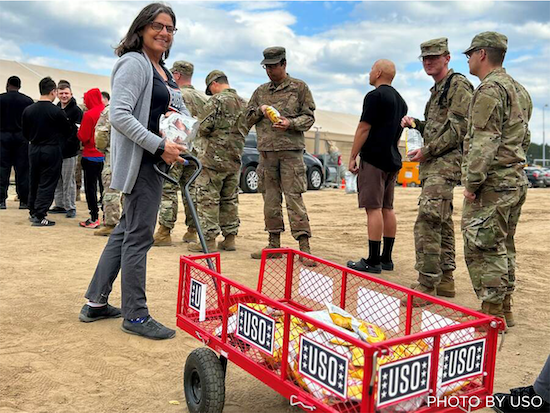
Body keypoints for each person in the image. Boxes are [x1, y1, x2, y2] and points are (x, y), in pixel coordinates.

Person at [79, 3, 186, 340]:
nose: (164, 32)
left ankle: (95, 302)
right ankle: (135, 315)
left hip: (155, 159)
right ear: (141, 28)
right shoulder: (133, 63)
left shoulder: (163, 71)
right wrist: (158, 145)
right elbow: (121, 115)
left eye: (170, 28)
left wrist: (179, 140)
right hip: (142, 162)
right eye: (157, 25)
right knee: (139, 236)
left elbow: (175, 110)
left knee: (126, 230)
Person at [461, 32, 532, 326]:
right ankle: (504, 307)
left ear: (481, 54)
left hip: (493, 184)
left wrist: (472, 183)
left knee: (482, 245)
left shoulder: (489, 90)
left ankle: (491, 315)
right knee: (503, 245)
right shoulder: (520, 90)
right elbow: (523, 138)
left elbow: (484, 141)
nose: (467, 59)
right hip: (514, 179)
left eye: (470, 53)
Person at [401, 38, 473, 300]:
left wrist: (427, 151)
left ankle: (428, 283)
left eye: (434, 56)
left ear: (447, 58)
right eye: (424, 58)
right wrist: (416, 124)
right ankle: (445, 281)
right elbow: (438, 128)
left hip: (445, 163)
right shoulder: (438, 89)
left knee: (428, 221)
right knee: (440, 220)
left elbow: (459, 129)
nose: (428, 61)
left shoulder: (458, 85)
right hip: (435, 163)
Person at [246, 46, 316, 262]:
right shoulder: (260, 92)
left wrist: (290, 123)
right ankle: (273, 244)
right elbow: (246, 119)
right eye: (266, 67)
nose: (269, 71)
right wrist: (259, 111)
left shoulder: (299, 88)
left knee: (294, 198)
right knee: (270, 199)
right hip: (267, 154)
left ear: (284, 64)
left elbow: (309, 118)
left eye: (273, 66)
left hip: (290, 154)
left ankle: (304, 247)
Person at [346, 59, 407, 274]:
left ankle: (372, 260)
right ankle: (386, 258)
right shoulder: (401, 101)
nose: (370, 73)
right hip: (392, 159)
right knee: (387, 208)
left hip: (374, 159)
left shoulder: (374, 96)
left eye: (372, 69)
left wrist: (353, 156)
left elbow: (363, 128)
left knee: (373, 209)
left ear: (379, 72)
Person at [187, 70, 247, 252]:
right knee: (229, 199)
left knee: (208, 198)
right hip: (234, 158)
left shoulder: (216, 101)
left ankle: (208, 241)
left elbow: (203, 127)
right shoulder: (244, 103)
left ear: (214, 84)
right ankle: (230, 239)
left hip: (212, 159)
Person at [153, 60, 207, 246]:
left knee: (168, 189)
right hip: (195, 152)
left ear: (176, 75)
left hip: (174, 149)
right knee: (190, 190)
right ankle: (192, 231)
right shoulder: (203, 99)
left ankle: (164, 231)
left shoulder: (174, 95)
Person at [22, 77, 71, 226]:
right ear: (53, 92)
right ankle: (40, 214)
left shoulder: (28, 110)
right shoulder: (56, 111)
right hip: (51, 148)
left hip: (34, 147)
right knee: (48, 182)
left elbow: (25, 132)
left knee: (34, 179)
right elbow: (68, 131)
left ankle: (32, 210)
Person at [49, 80, 83, 218]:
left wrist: (67, 145)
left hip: (69, 152)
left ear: (71, 94)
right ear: (56, 94)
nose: (64, 96)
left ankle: (70, 207)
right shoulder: (56, 108)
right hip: (56, 151)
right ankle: (60, 204)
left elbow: (77, 133)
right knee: (58, 179)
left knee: (69, 180)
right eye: (61, 93)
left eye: (66, 93)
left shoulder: (76, 111)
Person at [0, 76, 33, 210]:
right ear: (20, 86)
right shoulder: (28, 101)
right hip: (21, 138)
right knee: (23, 170)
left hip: (2, 136)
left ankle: (1, 200)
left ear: (7, 85)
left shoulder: (0, 99)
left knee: (2, 169)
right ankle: (24, 200)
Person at [93, 93, 122, 236]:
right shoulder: (139, 107)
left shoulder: (111, 109)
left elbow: (101, 135)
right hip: (136, 154)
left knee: (111, 189)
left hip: (115, 154)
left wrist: (104, 149)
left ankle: (112, 223)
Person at [77, 88, 105, 228]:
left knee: (91, 188)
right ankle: (107, 217)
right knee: (105, 187)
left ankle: (94, 217)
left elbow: (83, 136)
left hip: (91, 155)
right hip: (106, 156)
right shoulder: (107, 112)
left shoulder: (89, 115)